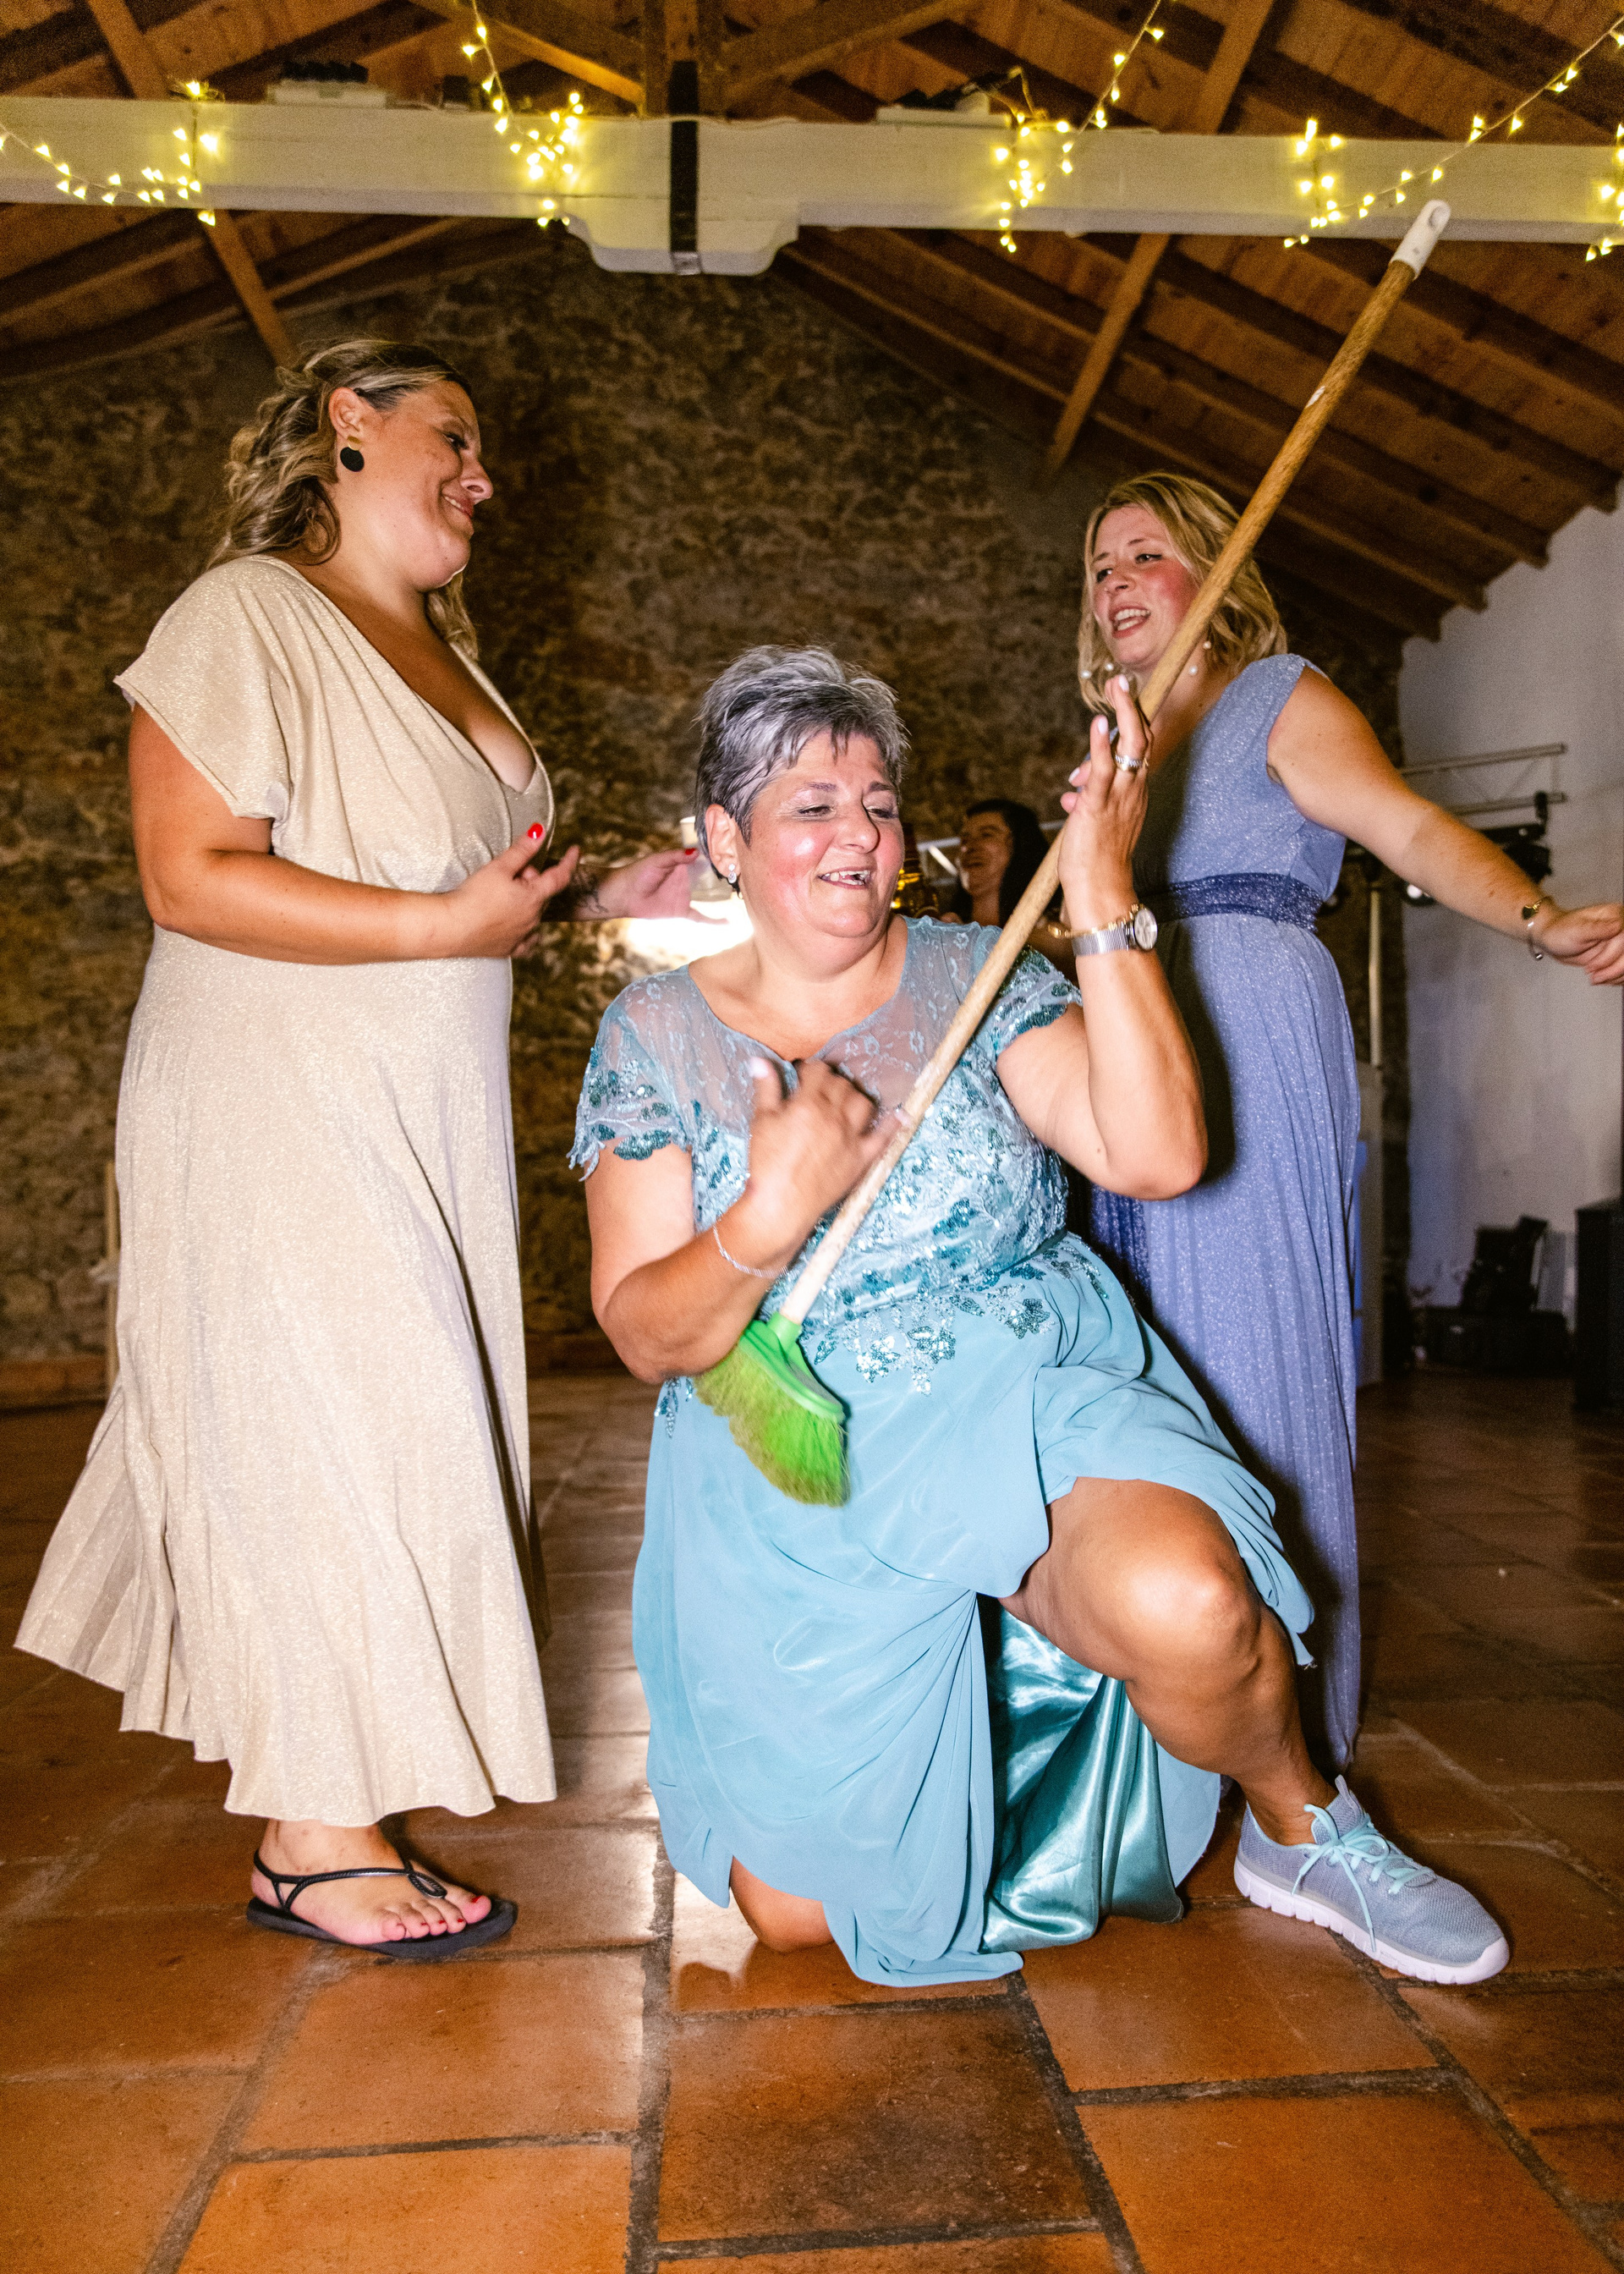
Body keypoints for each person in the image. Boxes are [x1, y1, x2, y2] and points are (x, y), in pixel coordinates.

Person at [572, 644, 1507, 1989]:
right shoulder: (654, 1032)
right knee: (799, 1919)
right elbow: (647, 1334)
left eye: (879, 804)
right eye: (812, 808)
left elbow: (1158, 1156)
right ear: (723, 839)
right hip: (804, 1453)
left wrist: (1107, 893)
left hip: (1017, 1385)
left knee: (1195, 1606)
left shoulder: (983, 971)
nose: (860, 836)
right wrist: (765, 1222)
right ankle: (990, 1729)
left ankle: (1306, 1827)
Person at [19, 339, 700, 1956]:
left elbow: (466, 895)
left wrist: (604, 893)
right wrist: (441, 926)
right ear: (349, 422)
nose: (482, 475)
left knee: (401, 1422)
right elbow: (190, 873)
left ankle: (326, 1810)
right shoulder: (246, 612)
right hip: (276, 1087)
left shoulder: (446, 652)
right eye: (453, 436)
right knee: (324, 1423)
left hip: (413, 1097)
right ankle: (312, 1835)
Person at [1076, 472, 1624, 1771]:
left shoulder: (1281, 696)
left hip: (1246, 1020)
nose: (1113, 584)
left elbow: (1411, 829)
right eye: (1098, 567)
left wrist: (1541, 920)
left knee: (1247, 1351)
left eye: (1144, 555)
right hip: (1135, 1014)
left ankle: (1283, 1719)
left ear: (1214, 570)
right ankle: (1173, 1692)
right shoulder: (1120, 742)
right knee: (1141, 1350)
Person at [946, 797, 1073, 975]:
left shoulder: (1052, 931)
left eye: (987, 834)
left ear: (1020, 846)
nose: (969, 847)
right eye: (964, 839)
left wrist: (963, 942)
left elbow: (1059, 950)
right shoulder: (949, 927)